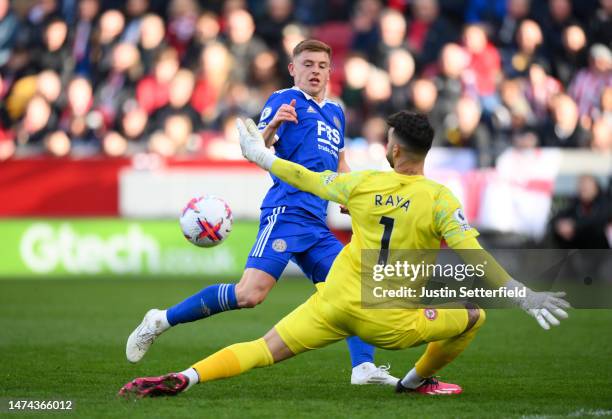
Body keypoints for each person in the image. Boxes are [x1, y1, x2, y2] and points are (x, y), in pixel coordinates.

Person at [119, 112, 570, 398]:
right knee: (473, 314)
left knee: (263, 348)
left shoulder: (362, 184)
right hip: (389, 322)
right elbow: (472, 253)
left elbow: (306, 178)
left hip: (332, 303)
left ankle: (186, 376)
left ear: (393, 149)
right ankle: (414, 382)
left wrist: (260, 156)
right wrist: (520, 293)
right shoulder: (440, 198)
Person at [125, 39, 396, 386]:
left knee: (355, 290)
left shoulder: (337, 111)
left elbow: (341, 160)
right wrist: (272, 127)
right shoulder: (284, 99)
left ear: (330, 71)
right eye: (308, 64)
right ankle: (161, 320)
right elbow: (257, 148)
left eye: (322, 65)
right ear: (293, 68)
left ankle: (363, 369)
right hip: (286, 212)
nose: (315, 71)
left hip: (317, 220)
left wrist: (348, 192)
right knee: (249, 295)